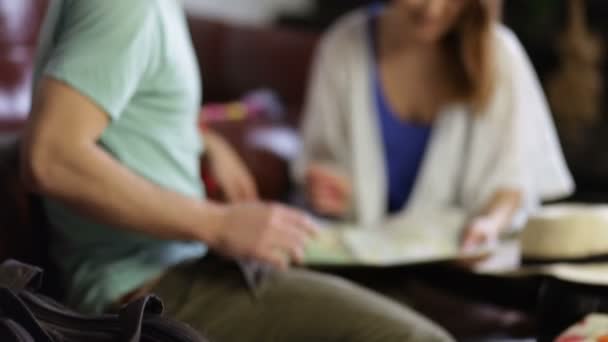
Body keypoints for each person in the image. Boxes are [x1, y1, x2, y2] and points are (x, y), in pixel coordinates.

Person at [21, 0, 453, 341]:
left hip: (177, 268)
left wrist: (206, 141)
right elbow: (51, 158)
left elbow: (123, 106)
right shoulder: (128, 6)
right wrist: (220, 223)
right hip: (148, 290)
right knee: (418, 337)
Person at [294, 0, 574, 251]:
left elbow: (513, 182)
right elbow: (321, 162)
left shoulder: (498, 53)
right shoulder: (341, 47)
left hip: (458, 270)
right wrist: (327, 189)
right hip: (364, 268)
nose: (433, 9)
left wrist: (489, 226)